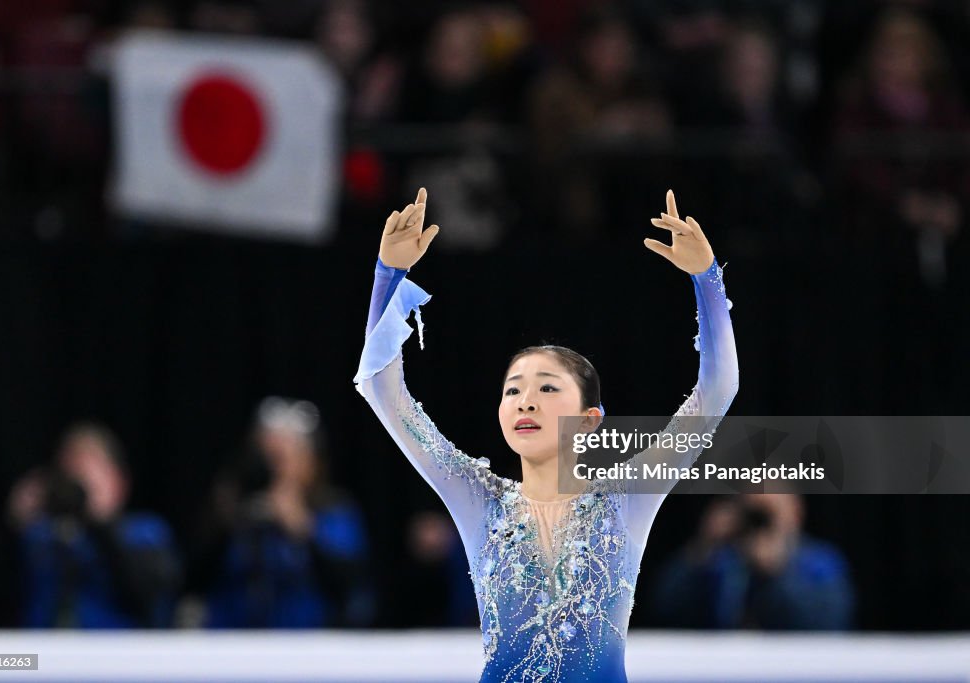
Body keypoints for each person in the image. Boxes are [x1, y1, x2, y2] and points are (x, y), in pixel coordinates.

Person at [354, 187, 738, 681]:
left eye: (547, 388)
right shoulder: (478, 499)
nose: (525, 402)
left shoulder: (626, 500)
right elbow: (385, 392)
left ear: (588, 418)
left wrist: (706, 279)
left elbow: (717, 391)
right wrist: (389, 273)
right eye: (513, 391)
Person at [205, 397, 375, 628]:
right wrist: (226, 520)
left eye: (282, 457)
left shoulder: (334, 511)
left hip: (307, 646)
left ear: (311, 462)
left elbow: (355, 589)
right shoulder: (235, 509)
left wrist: (303, 529)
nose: (274, 468)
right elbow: (194, 577)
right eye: (266, 456)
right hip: (234, 644)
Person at [14, 422, 181, 628]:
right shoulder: (41, 535)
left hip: (118, 654)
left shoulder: (145, 532)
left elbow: (146, 597)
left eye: (90, 473)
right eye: (70, 476)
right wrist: (15, 526)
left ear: (119, 482)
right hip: (38, 656)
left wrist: (97, 522)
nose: (79, 488)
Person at [650, 493, 854, 631]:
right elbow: (664, 608)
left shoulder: (819, 562)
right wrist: (703, 548)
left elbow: (831, 624)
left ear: (795, 511)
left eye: (766, 514)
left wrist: (775, 573)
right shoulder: (721, 559)